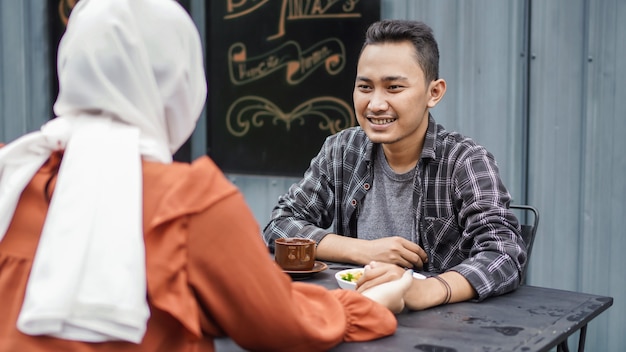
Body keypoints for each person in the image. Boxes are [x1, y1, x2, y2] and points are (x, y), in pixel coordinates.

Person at [0, 1, 414, 351]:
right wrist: (373, 303)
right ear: (179, 81)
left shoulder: (12, 173)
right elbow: (284, 322)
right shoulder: (190, 203)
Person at [263, 19, 527, 311]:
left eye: (394, 87)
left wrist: (426, 289)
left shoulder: (465, 162)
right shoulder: (341, 150)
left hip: (442, 329)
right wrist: (362, 250)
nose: (375, 104)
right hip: (356, 317)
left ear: (433, 92)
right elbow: (280, 225)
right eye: (365, 87)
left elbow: (504, 253)